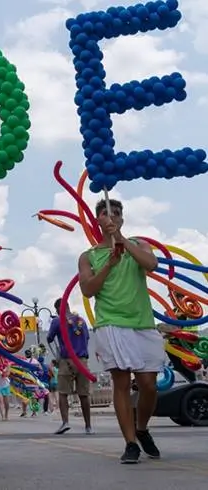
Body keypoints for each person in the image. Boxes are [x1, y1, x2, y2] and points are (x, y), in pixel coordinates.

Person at [77, 198, 165, 464]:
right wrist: (109, 264)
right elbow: (88, 290)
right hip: (111, 323)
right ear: (98, 220)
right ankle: (130, 443)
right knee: (122, 383)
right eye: (105, 213)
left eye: (116, 213)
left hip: (143, 323)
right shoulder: (88, 256)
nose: (111, 216)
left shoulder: (138, 244)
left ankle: (141, 428)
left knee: (149, 385)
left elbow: (152, 265)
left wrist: (122, 240)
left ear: (122, 220)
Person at [47, 298, 93, 435]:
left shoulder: (57, 321)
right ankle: (88, 426)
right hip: (82, 361)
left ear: (57, 309)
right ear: (68, 305)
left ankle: (65, 422)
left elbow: (49, 338)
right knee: (84, 395)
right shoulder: (81, 320)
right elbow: (87, 338)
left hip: (66, 360)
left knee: (63, 393)